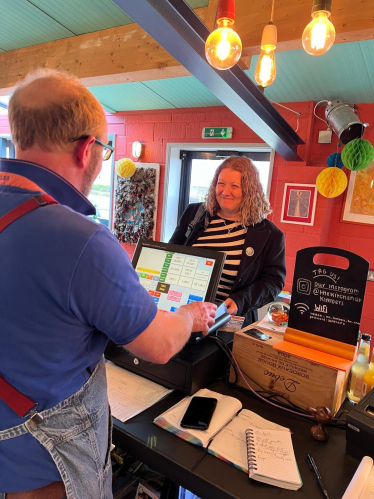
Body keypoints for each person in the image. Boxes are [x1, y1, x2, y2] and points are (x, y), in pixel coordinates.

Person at [0, 70, 216, 499]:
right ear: (86, 149)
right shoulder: (80, 239)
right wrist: (190, 314)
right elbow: (157, 347)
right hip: (42, 466)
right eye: (103, 147)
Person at [169, 156, 286, 327]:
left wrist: (241, 300)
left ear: (249, 190)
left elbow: (273, 282)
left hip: (227, 324)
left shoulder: (270, 234)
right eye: (221, 183)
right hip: (183, 315)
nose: (225, 191)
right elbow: (171, 254)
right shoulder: (194, 214)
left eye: (235, 186)